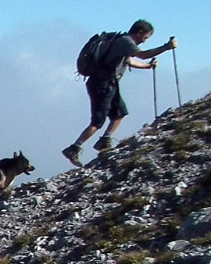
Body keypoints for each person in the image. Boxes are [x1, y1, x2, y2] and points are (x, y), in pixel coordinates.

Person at [62, 21, 178, 165]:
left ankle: (104, 141)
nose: (144, 41)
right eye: (146, 37)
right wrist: (166, 47)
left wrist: (148, 67)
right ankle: (74, 148)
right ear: (139, 32)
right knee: (97, 122)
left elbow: (129, 61)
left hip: (109, 83)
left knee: (119, 113)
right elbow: (142, 55)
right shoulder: (126, 41)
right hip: (102, 84)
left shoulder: (121, 42)